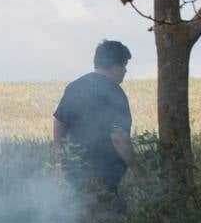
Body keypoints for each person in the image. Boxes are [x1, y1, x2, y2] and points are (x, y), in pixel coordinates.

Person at [51, 39, 144, 196]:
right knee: (109, 214)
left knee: (77, 212)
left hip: (73, 170)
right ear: (115, 66)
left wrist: (59, 160)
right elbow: (119, 138)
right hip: (103, 173)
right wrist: (140, 174)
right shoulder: (115, 93)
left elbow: (59, 123)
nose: (125, 71)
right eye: (124, 65)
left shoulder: (75, 86)